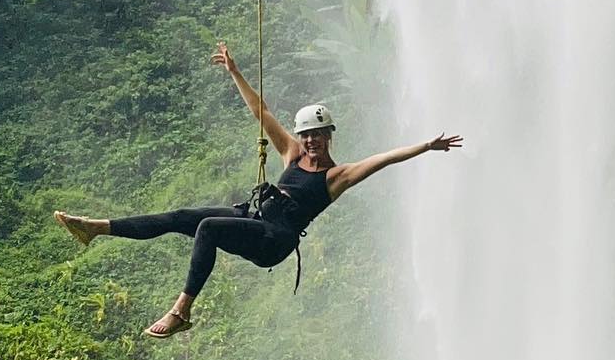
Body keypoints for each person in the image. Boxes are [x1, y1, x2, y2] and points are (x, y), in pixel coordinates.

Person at [54, 40, 462, 338]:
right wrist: (235, 71)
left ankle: (182, 310)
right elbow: (260, 111)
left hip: (276, 241)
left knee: (208, 228)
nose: (311, 141)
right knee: (182, 218)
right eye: (307, 135)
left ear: (329, 136)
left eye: (318, 135)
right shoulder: (289, 152)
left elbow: (384, 158)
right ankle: (95, 228)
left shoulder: (336, 177)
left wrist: (426, 146)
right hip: (255, 219)